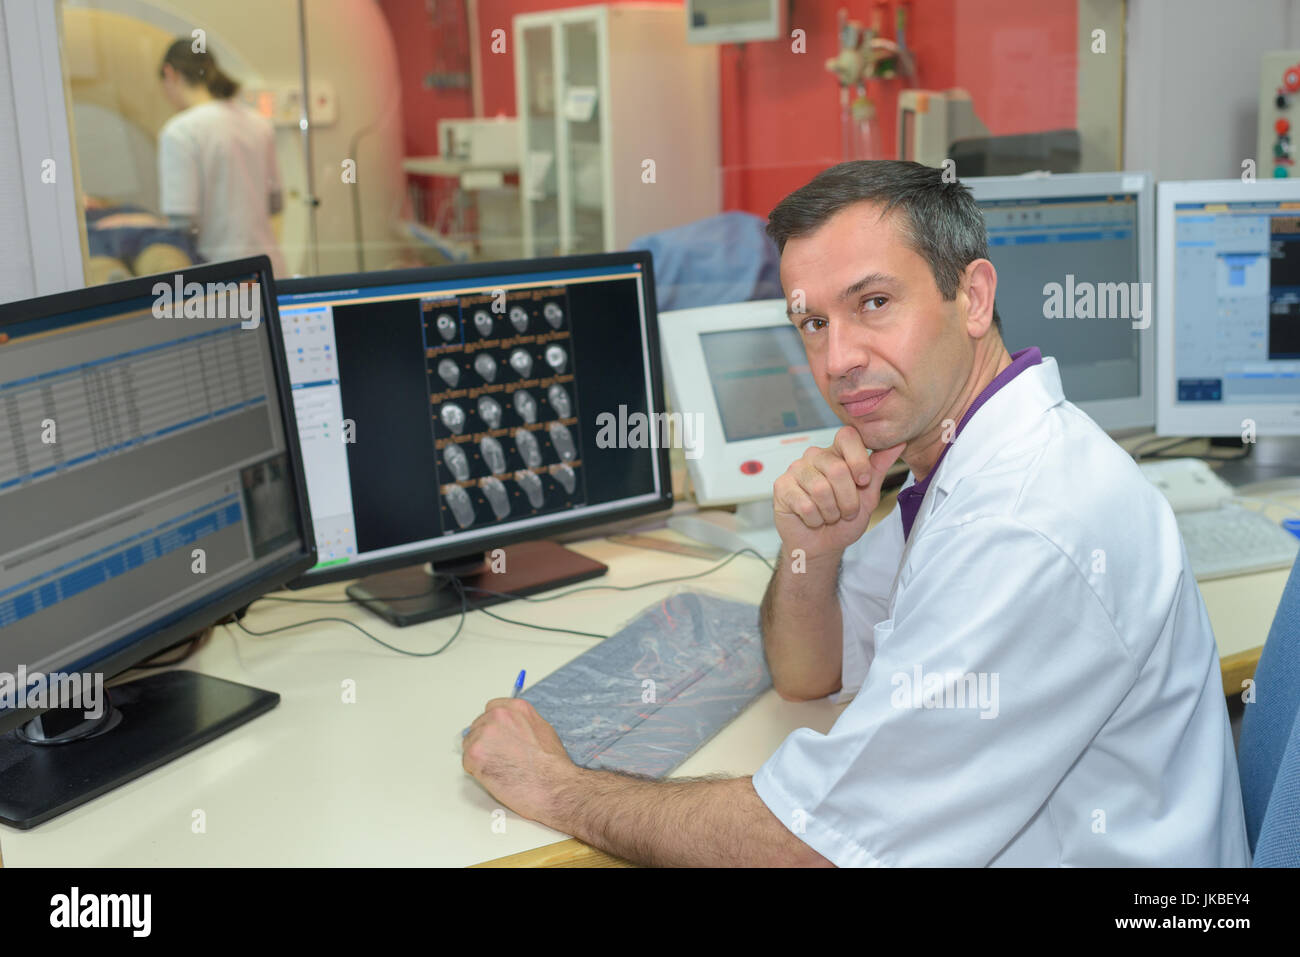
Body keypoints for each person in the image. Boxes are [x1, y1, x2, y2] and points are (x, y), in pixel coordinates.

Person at [461, 160, 1252, 867]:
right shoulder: (956, 461)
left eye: (873, 303)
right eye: (812, 322)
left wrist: (562, 790)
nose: (836, 359)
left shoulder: (1022, 523)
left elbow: (812, 848)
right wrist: (812, 549)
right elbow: (811, 673)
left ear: (972, 297)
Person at [157, 39, 287, 278]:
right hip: (270, 269)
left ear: (170, 73)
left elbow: (182, 224)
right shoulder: (259, 123)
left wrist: (140, 223)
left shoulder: (179, 131)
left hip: (221, 278)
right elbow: (275, 203)